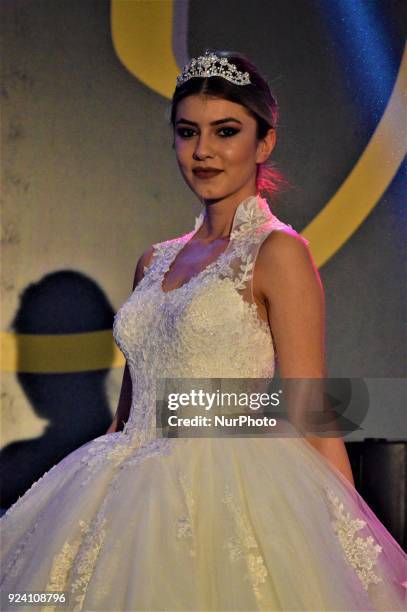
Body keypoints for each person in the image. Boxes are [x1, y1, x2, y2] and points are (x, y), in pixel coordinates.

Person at [1, 49, 406, 612]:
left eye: (226, 131)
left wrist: (349, 542)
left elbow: (310, 404)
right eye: (188, 131)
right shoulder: (154, 260)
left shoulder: (278, 252)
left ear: (264, 143)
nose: (204, 150)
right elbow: (133, 400)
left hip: (227, 488)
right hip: (119, 484)